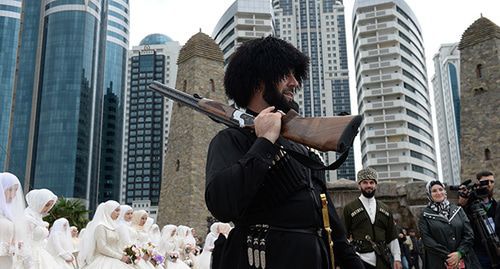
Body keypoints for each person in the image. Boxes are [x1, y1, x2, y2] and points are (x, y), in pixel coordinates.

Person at [205, 36, 364, 269]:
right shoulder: (230, 139)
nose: (295, 83)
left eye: (295, 75)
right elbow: (221, 203)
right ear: (258, 81)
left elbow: (330, 224)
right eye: (285, 75)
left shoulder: (301, 148)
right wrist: (265, 141)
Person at [343, 168, 402, 269]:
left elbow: (391, 235)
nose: (369, 185)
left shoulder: (386, 208)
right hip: (359, 260)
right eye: (365, 182)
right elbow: (344, 235)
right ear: (359, 185)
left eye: (372, 182)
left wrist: (397, 258)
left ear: (376, 185)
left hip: (383, 260)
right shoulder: (349, 208)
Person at [418, 180, 481, 269]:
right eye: (434, 191)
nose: (438, 193)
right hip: (438, 262)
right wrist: (449, 257)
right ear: (429, 194)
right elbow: (427, 241)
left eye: (440, 189)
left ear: (445, 191)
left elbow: (469, 234)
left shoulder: (458, 210)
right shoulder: (425, 215)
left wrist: (459, 253)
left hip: (464, 260)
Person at [78, 200, 134, 269]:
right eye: (116, 210)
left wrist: (124, 255)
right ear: (109, 210)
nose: (119, 213)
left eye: (119, 211)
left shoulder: (114, 227)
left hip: (115, 259)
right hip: (102, 260)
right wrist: (120, 257)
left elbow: (116, 245)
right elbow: (102, 247)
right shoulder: (100, 226)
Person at [24, 188, 63, 269]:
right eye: (46, 205)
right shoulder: (28, 218)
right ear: (38, 203)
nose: (48, 208)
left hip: (41, 254)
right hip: (30, 255)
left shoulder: (38, 219)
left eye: (51, 205)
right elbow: (25, 240)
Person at [0, 172, 29, 269]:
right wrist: (8, 247)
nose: (13, 194)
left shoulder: (12, 214)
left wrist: (18, 245)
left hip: (11, 262)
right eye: (10, 190)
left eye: (16, 190)